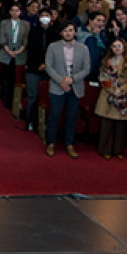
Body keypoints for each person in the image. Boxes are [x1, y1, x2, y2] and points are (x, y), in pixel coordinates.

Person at [44, 22, 90, 158]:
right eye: (65, 30)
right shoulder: (53, 47)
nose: (68, 33)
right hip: (57, 86)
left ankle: (69, 144)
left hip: (75, 87)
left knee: (71, 117)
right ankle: (51, 143)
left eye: (70, 30)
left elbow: (86, 68)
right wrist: (61, 81)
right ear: (61, 33)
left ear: (75, 32)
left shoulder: (83, 48)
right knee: (54, 115)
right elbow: (48, 67)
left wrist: (72, 79)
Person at [94, 38, 127, 160]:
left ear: (124, 47)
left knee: (121, 126)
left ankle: (119, 150)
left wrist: (122, 90)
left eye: (119, 46)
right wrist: (113, 90)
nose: (117, 48)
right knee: (107, 124)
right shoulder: (107, 61)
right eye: (114, 46)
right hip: (109, 95)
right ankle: (105, 150)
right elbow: (102, 78)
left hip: (125, 95)